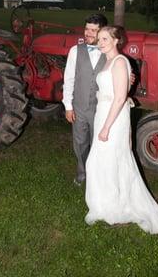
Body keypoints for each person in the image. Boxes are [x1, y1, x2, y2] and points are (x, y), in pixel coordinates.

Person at [85, 26, 158, 234]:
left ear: (116, 40)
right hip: (103, 112)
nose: (100, 42)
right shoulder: (108, 61)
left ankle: (118, 205)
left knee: (111, 160)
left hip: (113, 117)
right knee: (101, 161)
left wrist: (107, 127)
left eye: (105, 38)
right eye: (99, 39)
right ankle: (106, 202)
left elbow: (119, 98)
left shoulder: (119, 62)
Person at [62, 14, 108, 186]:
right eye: (86, 29)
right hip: (79, 107)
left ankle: (99, 176)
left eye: (93, 30)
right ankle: (82, 173)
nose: (88, 33)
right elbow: (69, 80)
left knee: (100, 144)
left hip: (101, 108)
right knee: (80, 143)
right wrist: (68, 106)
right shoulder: (75, 51)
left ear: (102, 31)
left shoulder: (108, 52)